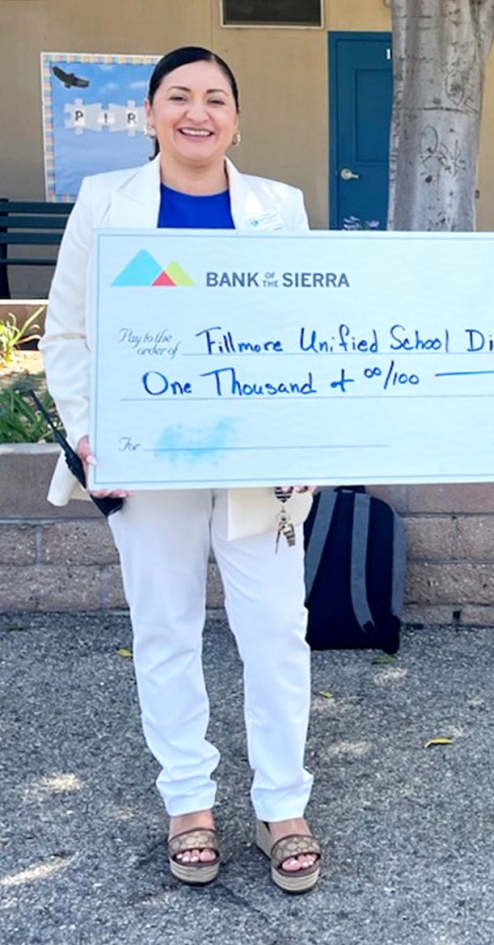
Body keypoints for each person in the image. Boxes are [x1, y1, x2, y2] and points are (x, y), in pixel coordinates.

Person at [40, 46, 321, 893]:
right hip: (144, 460)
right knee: (165, 628)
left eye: (215, 99)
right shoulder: (106, 202)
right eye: (179, 97)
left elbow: (308, 333)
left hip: (257, 462)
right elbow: (68, 334)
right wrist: (94, 438)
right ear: (151, 112)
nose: (197, 112)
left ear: (236, 117)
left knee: (275, 631)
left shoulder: (280, 206)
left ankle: (282, 804)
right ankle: (189, 803)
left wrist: (300, 443)